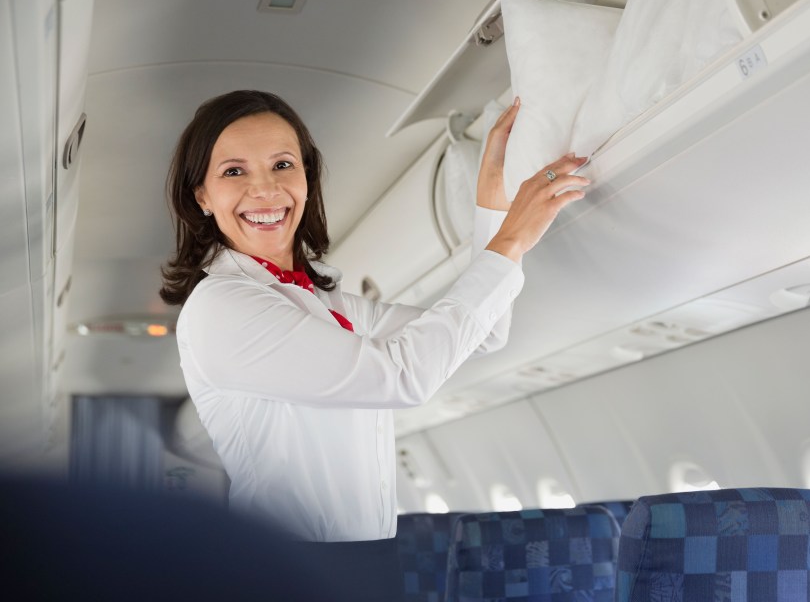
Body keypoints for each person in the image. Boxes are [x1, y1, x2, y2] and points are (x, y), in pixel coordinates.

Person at [160, 90, 588, 600]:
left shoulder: (330, 305)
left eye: (282, 164)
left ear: (307, 177)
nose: (265, 189)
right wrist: (510, 241)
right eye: (234, 172)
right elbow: (403, 378)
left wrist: (492, 193)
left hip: (370, 561)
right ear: (201, 196)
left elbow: (484, 332)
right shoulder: (222, 308)